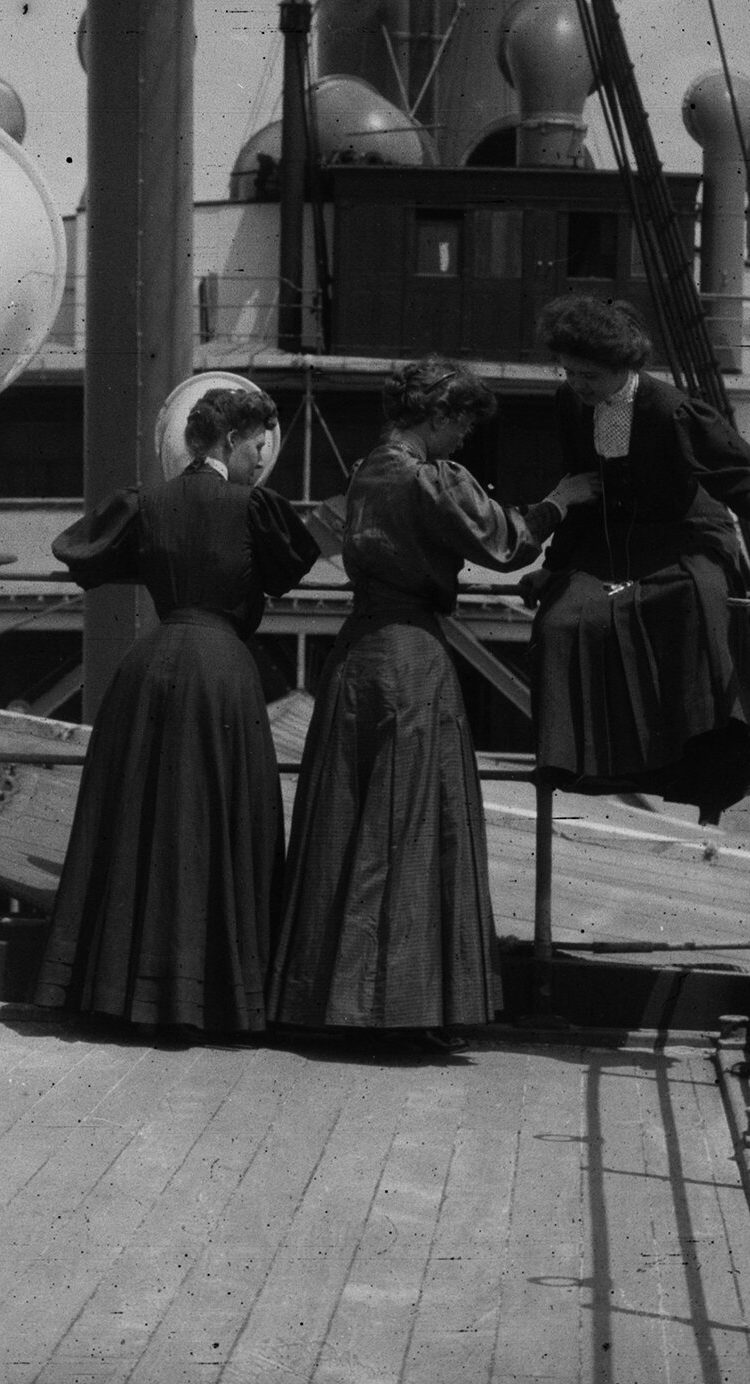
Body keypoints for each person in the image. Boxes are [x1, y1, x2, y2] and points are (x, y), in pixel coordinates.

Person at [267, 359, 587, 1050]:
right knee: (411, 827)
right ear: (438, 415)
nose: (466, 439)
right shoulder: (430, 477)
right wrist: (562, 499)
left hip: (357, 658)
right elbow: (507, 543)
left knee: (348, 825)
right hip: (413, 660)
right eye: (464, 424)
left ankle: (334, 1003)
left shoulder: (367, 469)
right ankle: (399, 1011)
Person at [33, 383, 322, 1035]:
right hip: (222, 675)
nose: (260, 461)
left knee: (142, 820)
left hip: (153, 667)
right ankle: (215, 994)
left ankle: (123, 988)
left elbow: (80, 554)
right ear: (228, 442)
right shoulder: (256, 509)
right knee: (219, 823)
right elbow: (292, 565)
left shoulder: (147, 503)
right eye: (256, 448)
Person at [525, 295, 750, 824]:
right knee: (561, 622)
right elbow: (580, 489)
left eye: (588, 375)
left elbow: (730, 465)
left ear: (622, 368)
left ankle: (694, 764)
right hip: (606, 540)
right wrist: (554, 567)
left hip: (685, 533)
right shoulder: (570, 404)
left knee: (693, 606)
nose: (576, 384)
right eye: (569, 372)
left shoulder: (669, 409)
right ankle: (582, 764)